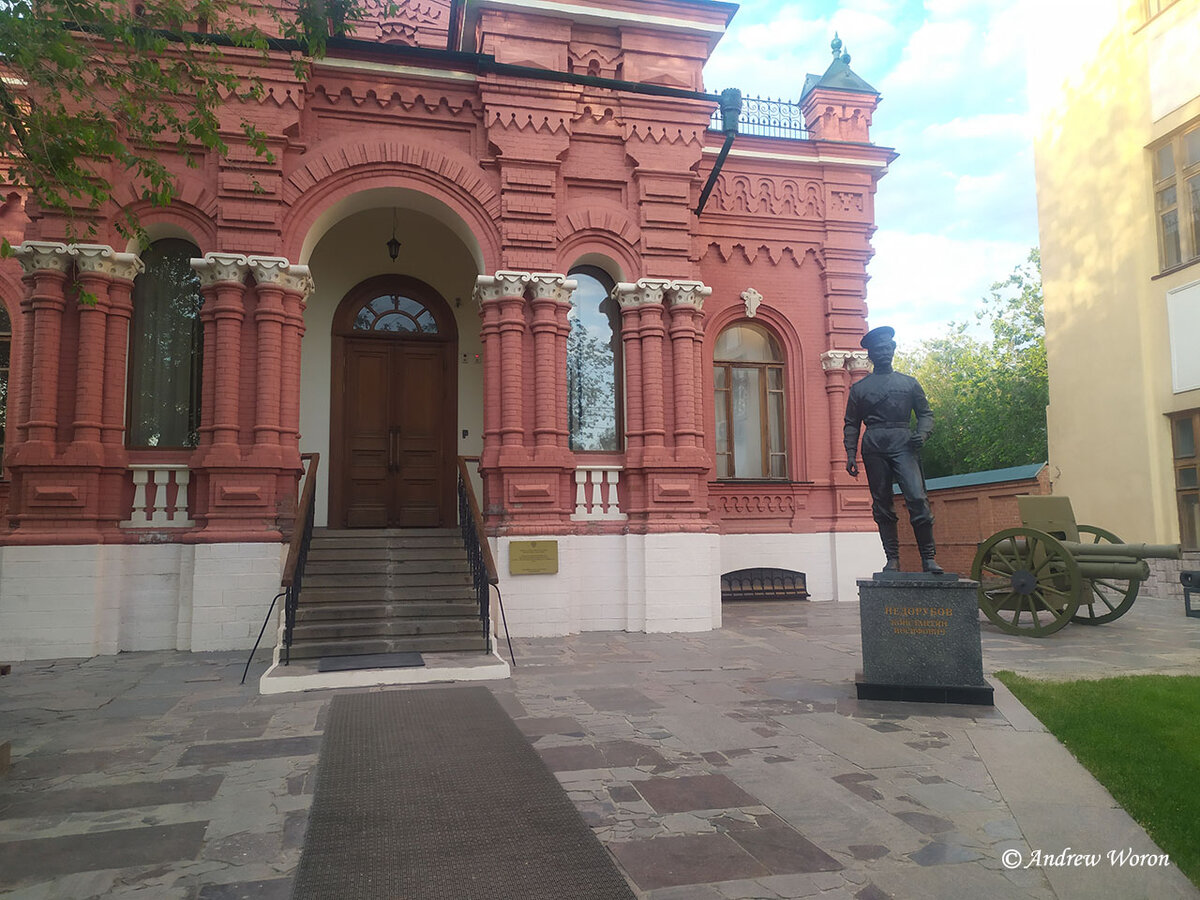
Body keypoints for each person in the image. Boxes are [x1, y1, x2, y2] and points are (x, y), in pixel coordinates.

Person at [843, 326, 943, 574]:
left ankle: (928, 559)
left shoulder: (909, 383)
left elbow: (925, 414)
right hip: (874, 443)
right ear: (872, 355)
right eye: (879, 350)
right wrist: (850, 454)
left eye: (888, 348)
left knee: (917, 498)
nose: (884, 352)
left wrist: (922, 433)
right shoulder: (859, 389)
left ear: (894, 350)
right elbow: (851, 424)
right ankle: (893, 558)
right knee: (882, 504)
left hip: (904, 443)